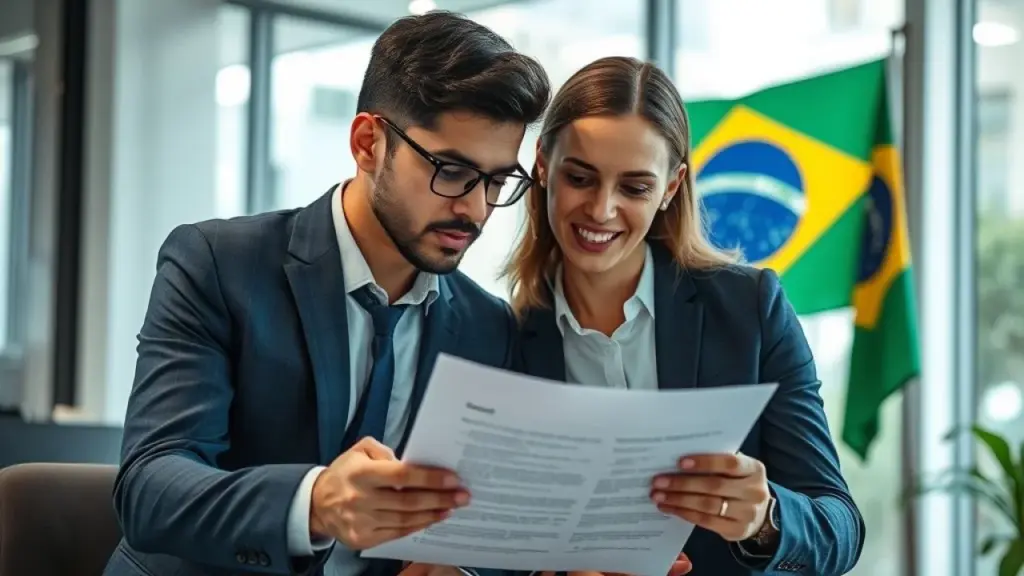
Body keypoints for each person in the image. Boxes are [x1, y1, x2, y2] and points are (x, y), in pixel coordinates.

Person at [103, 11, 550, 576]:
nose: (476, 208)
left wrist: (456, 567)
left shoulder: (488, 326)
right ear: (368, 143)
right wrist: (314, 503)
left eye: (497, 181)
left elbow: (484, 518)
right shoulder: (219, 264)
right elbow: (149, 487)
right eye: (452, 171)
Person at [502, 56, 865, 576]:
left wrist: (763, 518)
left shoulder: (750, 310)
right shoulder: (503, 337)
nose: (601, 210)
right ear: (542, 165)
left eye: (634, 188)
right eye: (580, 178)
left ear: (671, 188)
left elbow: (839, 530)